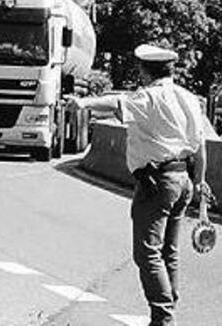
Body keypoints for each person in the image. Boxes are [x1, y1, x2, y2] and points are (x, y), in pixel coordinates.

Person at [66, 44, 211, 326]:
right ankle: (169, 308)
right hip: (183, 180)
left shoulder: (149, 97)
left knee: (146, 251)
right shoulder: (188, 98)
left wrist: (83, 103)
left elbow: (116, 104)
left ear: (145, 71)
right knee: (168, 250)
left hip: (158, 182)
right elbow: (201, 146)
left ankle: (163, 318)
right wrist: (200, 182)